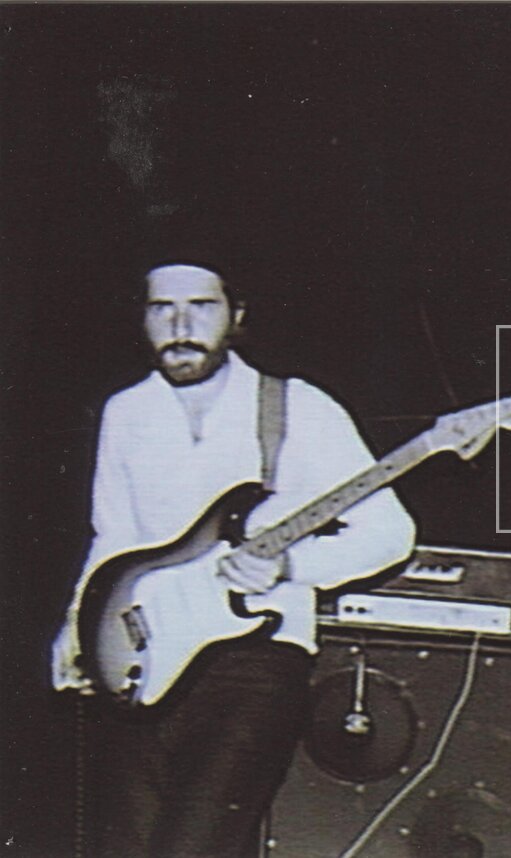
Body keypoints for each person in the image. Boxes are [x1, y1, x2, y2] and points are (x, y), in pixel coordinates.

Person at [50, 260, 416, 857]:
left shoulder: (298, 408)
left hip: (253, 663)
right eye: (162, 308)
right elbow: (113, 537)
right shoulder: (127, 411)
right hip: (140, 654)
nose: (180, 326)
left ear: (236, 316)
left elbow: (391, 533)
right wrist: (76, 629)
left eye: (201, 306)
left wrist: (291, 568)